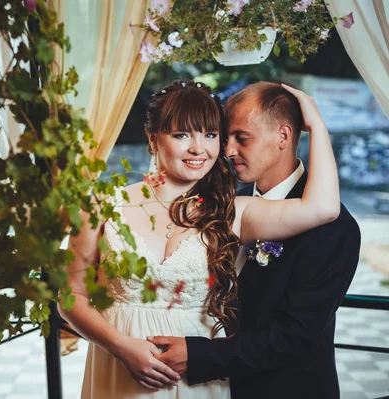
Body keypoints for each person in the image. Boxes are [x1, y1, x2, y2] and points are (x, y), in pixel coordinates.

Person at [58, 79, 340, 398]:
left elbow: (324, 208)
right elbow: (70, 296)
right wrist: (121, 347)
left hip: (198, 378)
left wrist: (316, 124)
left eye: (210, 135)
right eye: (182, 135)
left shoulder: (235, 211)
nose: (198, 148)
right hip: (118, 371)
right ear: (153, 139)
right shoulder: (101, 206)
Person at [149, 82, 360, 399]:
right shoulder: (231, 204)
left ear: (283, 137)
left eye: (242, 138)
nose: (228, 150)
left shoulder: (334, 227)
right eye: (226, 136)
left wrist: (199, 356)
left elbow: (295, 336)